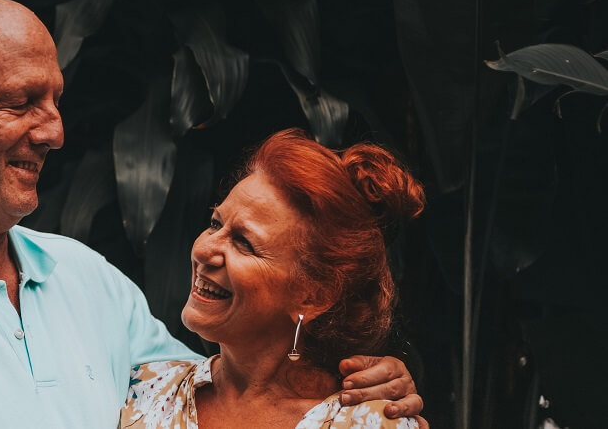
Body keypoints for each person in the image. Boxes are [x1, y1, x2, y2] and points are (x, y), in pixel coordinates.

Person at [0, 0, 426, 428]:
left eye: (55, 100)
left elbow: (223, 391)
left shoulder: (87, 281)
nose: (54, 132)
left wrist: (359, 387)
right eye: (21, 102)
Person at [119, 129, 426, 428]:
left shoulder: (365, 423)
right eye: (215, 224)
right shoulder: (144, 392)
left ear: (314, 296)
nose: (203, 250)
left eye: (244, 243)